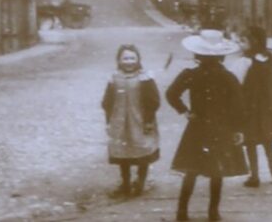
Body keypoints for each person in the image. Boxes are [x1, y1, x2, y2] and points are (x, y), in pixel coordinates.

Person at [166, 30, 248, 222]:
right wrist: (238, 129)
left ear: (198, 54)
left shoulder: (191, 74)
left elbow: (171, 94)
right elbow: (239, 106)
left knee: (191, 170)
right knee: (216, 171)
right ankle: (213, 212)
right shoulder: (228, 77)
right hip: (222, 128)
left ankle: (182, 211)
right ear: (221, 55)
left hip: (197, 127)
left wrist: (185, 111)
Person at [101, 44, 161, 198]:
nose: (129, 62)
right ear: (119, 61)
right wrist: (109, 121)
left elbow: (153, 101)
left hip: (140, 122)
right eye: (125, 58)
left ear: (138, 60)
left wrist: (148, 121)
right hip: (120, 123)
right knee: (123, 153)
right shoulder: (114, 78)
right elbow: (107, 102)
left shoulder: (145, 78)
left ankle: (140, 182)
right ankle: (126, 184)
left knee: (142, 151)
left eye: (132, 58)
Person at [240, 28, 272, 187]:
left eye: (243, 41)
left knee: (250, 141)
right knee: (267, 140)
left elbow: (239, 83)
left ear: (253, 42)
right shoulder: (268, 60)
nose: (240, 44)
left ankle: (254, 176)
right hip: (267, 107)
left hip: (250, 107)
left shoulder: (247, 61)